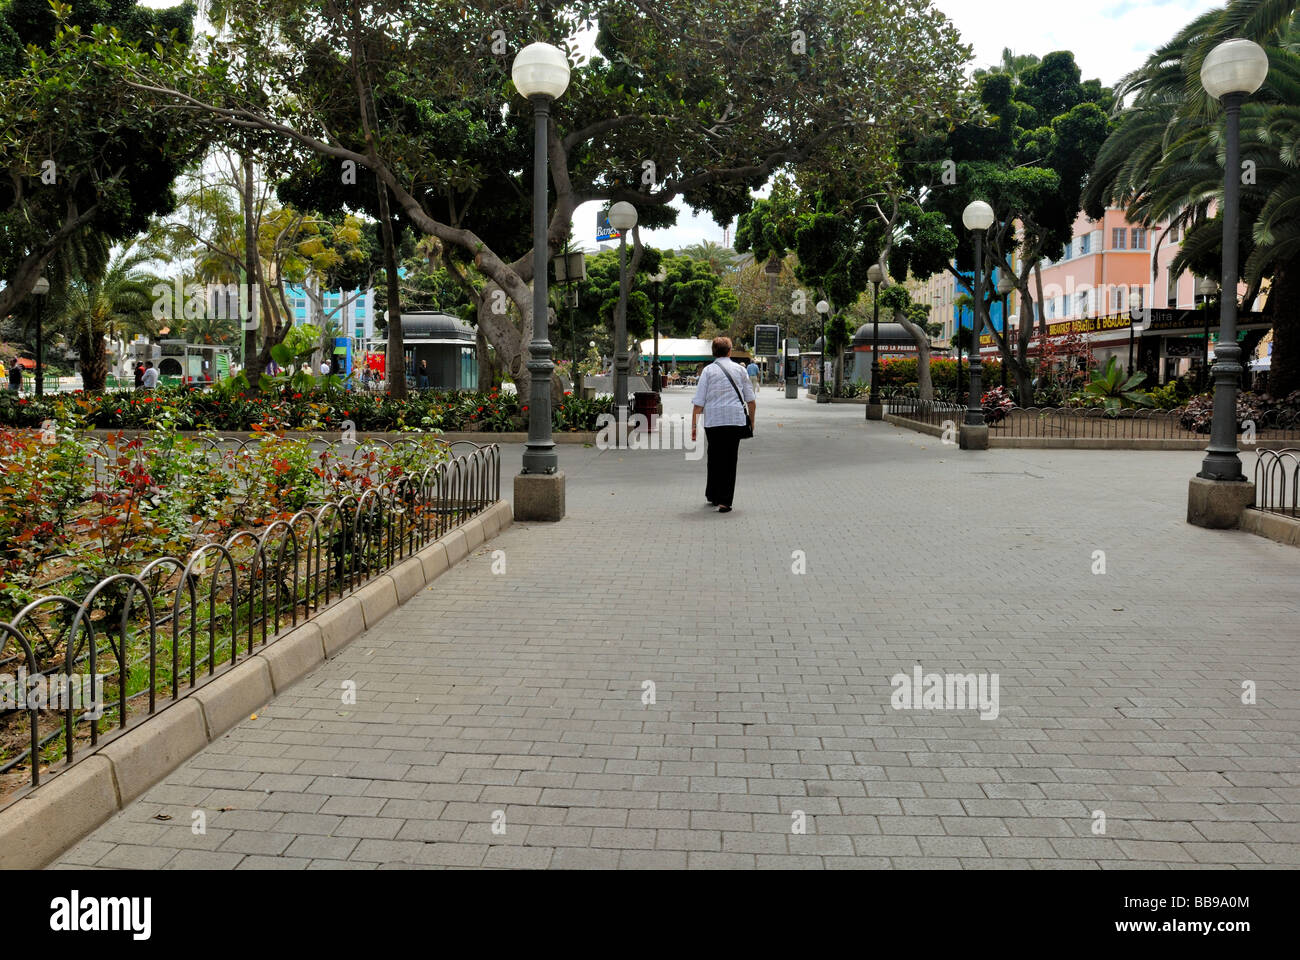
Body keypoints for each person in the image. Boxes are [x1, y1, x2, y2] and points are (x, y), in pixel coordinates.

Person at [690, 337, 755, 514]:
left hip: (714, 421)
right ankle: (725, 502)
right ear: (729, 351)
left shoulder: (708, 371)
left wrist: (693, 426)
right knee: (729, 459)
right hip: (735, 420)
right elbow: (751, 400)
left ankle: (713, 494)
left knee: (714, 456)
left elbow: (698, 402)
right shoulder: (740, 370)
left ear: (713, 352)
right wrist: (752, 422)